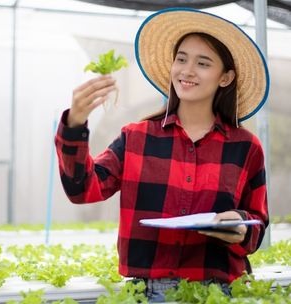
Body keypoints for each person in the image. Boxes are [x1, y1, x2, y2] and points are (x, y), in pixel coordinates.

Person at [55, 7, 269, 302]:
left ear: (225, 77)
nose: (187, 70)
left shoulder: (246, 147)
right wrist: (75, 124)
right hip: (148, 292)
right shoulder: (136, 137)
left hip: (222, 292)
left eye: (203, 63)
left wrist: (239, 225)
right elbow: (83, 190)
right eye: (181, 59)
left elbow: (258, 223)